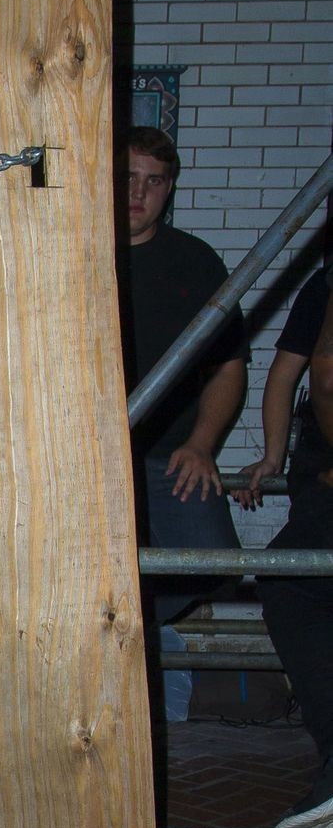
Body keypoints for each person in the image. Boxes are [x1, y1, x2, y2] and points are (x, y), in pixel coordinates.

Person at [118, 126, 248, 633]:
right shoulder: (73, 253)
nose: (138, 192)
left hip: (169, 456)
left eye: (153, 181)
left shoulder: (195, 261)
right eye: (128, 177)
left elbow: (228, 367)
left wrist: (201, 443)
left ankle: (127, 627)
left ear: (168, 188)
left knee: (216, 562)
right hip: (87, 458)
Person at [237, 262, 333, 828]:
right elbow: (287, 374)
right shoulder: (322, 285)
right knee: (296, 578)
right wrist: (273, 455)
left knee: (293, 582)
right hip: (318, 464)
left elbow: (320, 376)